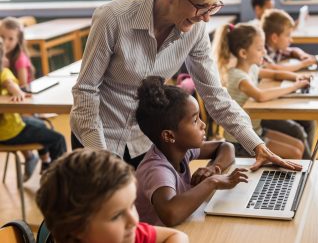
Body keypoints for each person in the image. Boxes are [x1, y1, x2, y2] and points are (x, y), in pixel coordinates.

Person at [70, 0, 301, 172]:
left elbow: (214, 95)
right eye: (201, 5)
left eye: (214, 6)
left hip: (143, 138)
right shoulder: (112, 18)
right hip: (97, 136)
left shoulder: (195, 30)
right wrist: (100, 156)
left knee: (143, 218)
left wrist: (256, 145)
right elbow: (85, 90)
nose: (207, 17)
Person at [135, 76, 248, 226]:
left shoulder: (180, 150)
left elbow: (226, 147)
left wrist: (213, 168)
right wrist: (211, 182)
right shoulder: (156, 169)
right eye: (195, 120)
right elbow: (171, 214)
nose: (202, 125)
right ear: (169, 135)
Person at [36, 148, 189, 243]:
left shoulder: (128, 235)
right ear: (77, 229)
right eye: (116, 216)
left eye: (131, 206)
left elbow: (176, 236)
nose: (134, 221)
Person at [213, 23, 311, 158]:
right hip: (240, 142)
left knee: (299, 146)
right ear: (243, 53)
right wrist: (294, 87)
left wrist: (297, 77)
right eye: (259, 49)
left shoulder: (252, 68)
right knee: (294, 153)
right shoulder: (237, 75)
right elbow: (260, 96)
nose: (264, 52)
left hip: (255, 131)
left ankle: (303, 176)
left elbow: (275, 74)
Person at [0, 37, 66, 179]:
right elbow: (11, 84)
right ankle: (58, 180)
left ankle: (45, 162)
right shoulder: (3, 72)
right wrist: (18, 93)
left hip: (9, 126)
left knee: (40, 125)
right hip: (8, 132)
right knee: (58, 139)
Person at [261, 9, 317, 153]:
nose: (291, 39)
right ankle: (305, 165)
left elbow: (293, 50)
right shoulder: (261, 51)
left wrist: (302, 55)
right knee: (297, 131)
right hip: (261, 111)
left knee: (309, 121)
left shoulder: (277, 49)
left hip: (272, 100)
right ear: (274, 37)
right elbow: (276, 69)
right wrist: (303, 64)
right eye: (288, 35)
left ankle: (308, 160)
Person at [0, 17, 35, 88]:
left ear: (18, 40)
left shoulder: (20, 59)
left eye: (11, 39)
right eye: (2, 37)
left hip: (19, 94)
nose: (5, 42)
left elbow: (23, 86)